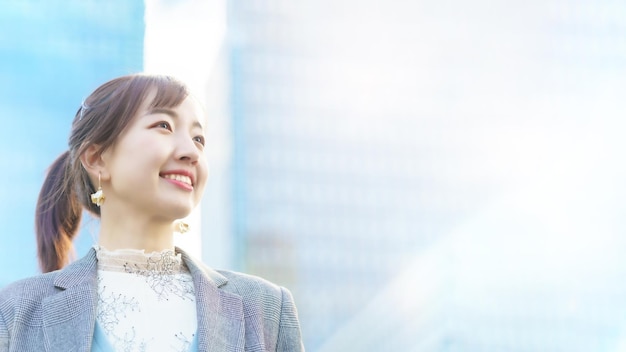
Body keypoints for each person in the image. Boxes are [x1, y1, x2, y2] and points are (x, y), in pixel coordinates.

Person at [0, 74, 304, 351]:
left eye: (199, 138)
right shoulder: (14, 312)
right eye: (164, 126)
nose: (192, 151)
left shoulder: (266, 309)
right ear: (97, 159)